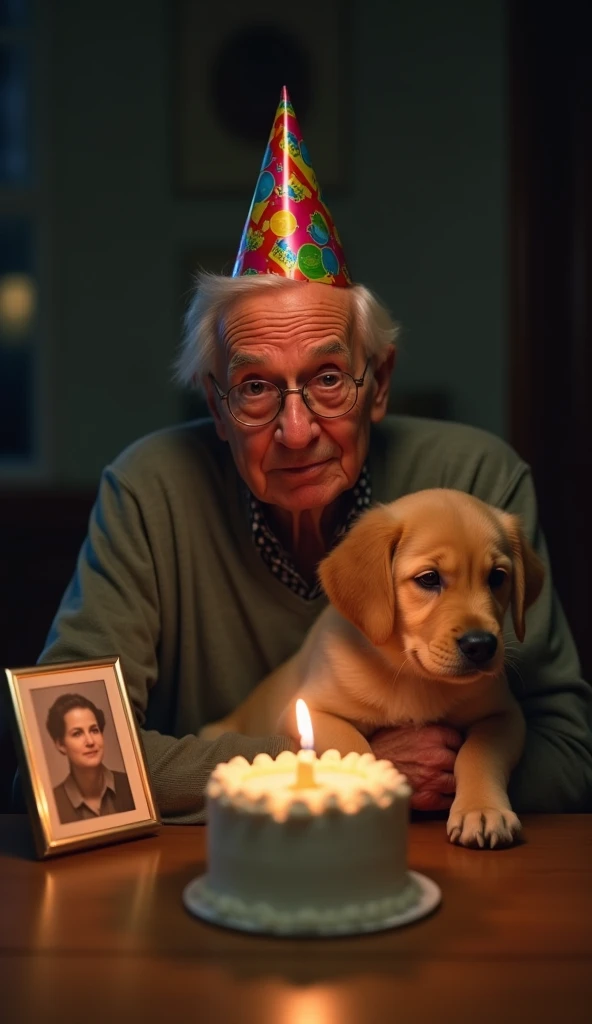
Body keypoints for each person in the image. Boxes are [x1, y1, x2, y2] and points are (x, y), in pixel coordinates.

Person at [36, 88, 591, 824]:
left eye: (329, 379)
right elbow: (55, 764)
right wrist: (338, 770)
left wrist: (444, 784)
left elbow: (568, 751)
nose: (297, 430)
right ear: (216, 405)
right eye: (257, 387)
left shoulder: (478, 483)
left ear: (379, 384)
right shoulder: (149, 491)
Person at [46, 693, 135, 824]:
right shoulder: (51, 804)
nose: (90, 741)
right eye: (77, 733)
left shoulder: (131, 786)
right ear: (61, 745)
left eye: (94, 730)